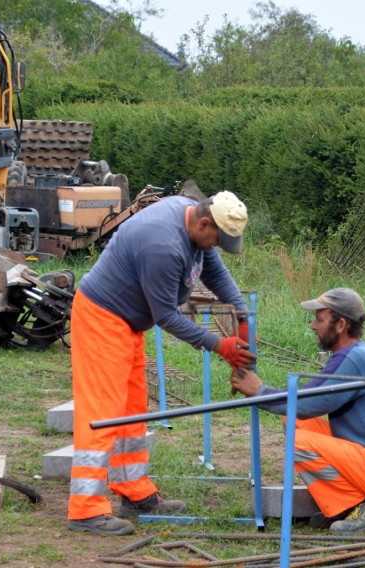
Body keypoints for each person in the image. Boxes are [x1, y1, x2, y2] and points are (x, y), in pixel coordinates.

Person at [68, 190, 256, 536]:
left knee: (132, 407)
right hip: (101, 318)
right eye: (217, 239)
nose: (216, 248)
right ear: (204, 223)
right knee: (102, 411)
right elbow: (167, 316)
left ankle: (133, 490)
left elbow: (215, 273)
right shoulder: (163, 246)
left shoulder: (195, 227)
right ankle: (85, 510)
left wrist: (241, 317)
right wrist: (220, 345)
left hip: (126, 323)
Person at [230, 287, 365, 534]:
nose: (313, 326)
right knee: (296, 422)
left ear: (340, 325)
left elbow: (305, 404)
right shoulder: (350, 355)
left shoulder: (353, 359)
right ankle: (343, 506)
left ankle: (359, 507)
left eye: (320, 319)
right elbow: (303, 402)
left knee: (298, 439)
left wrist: (259, 390)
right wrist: (261, 391)